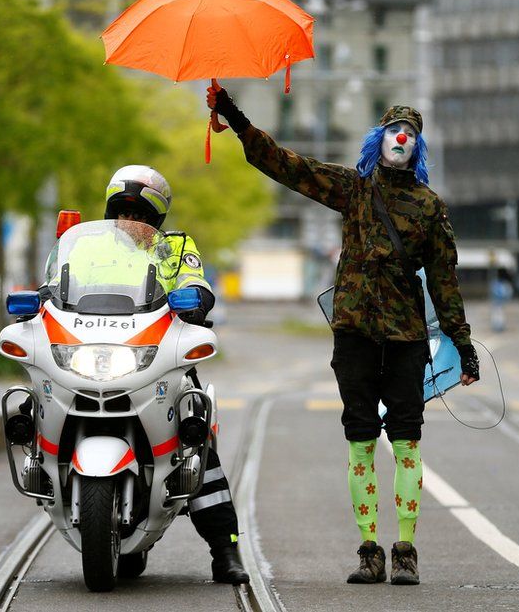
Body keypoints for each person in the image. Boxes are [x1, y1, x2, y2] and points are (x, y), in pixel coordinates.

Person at [207, 83, 479, 585]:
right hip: (353, 333)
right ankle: (369, 551)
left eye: (411, 133)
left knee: (406, 442)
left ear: (418, 147)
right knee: (359, 441)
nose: (402, 137)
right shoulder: (354, 189)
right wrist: (235, 118)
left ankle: (405, 552)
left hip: (405, 340)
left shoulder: (429, 207)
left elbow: (445, 283)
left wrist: (463, 346)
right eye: (394, 130)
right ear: (378, 139)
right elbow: (287, 166)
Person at [101, 164, 248, 585]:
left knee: (195, 439)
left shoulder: (175, 248)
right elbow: (59, 284)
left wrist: (197, 301)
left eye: (140, 215)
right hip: (100, 360)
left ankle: (225, 550)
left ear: (156, 218)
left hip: (160, 362)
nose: (130, 222)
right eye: (123, 213)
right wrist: (43, 297)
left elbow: (196, 282)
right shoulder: (92, 251)